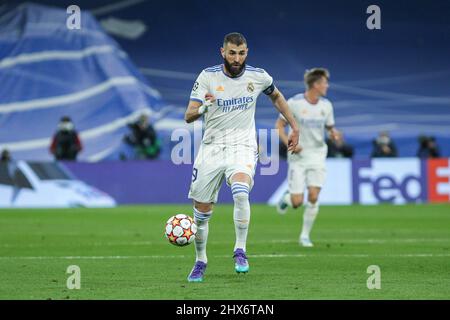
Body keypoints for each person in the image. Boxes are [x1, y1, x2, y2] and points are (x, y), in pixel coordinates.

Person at [184, 32, 299, 282]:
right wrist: (204, 106)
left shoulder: (259, 76)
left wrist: (294, 125)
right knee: (202, 213)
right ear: (222, 52)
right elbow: (189, 115)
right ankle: (200, 260)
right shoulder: (208, 76)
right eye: (232, 53)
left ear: (247, 52)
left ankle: (240, 250)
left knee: (240, 189)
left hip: (243, 145)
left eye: (242, 53)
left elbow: (277, 96)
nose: (237, 58)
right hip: (212, 148)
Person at [275, 68, 341, 247]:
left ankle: (304, 236)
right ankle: (287, 199)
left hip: (318, 154)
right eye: (324, 82)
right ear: (315, 84)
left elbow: (329, 127)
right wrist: (290, 143)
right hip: (299, 156)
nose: (327, 86)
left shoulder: (326, 105)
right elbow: (279, 125)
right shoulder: (295, 103)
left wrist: (334, 133)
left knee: (313, 196)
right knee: (297, 202)